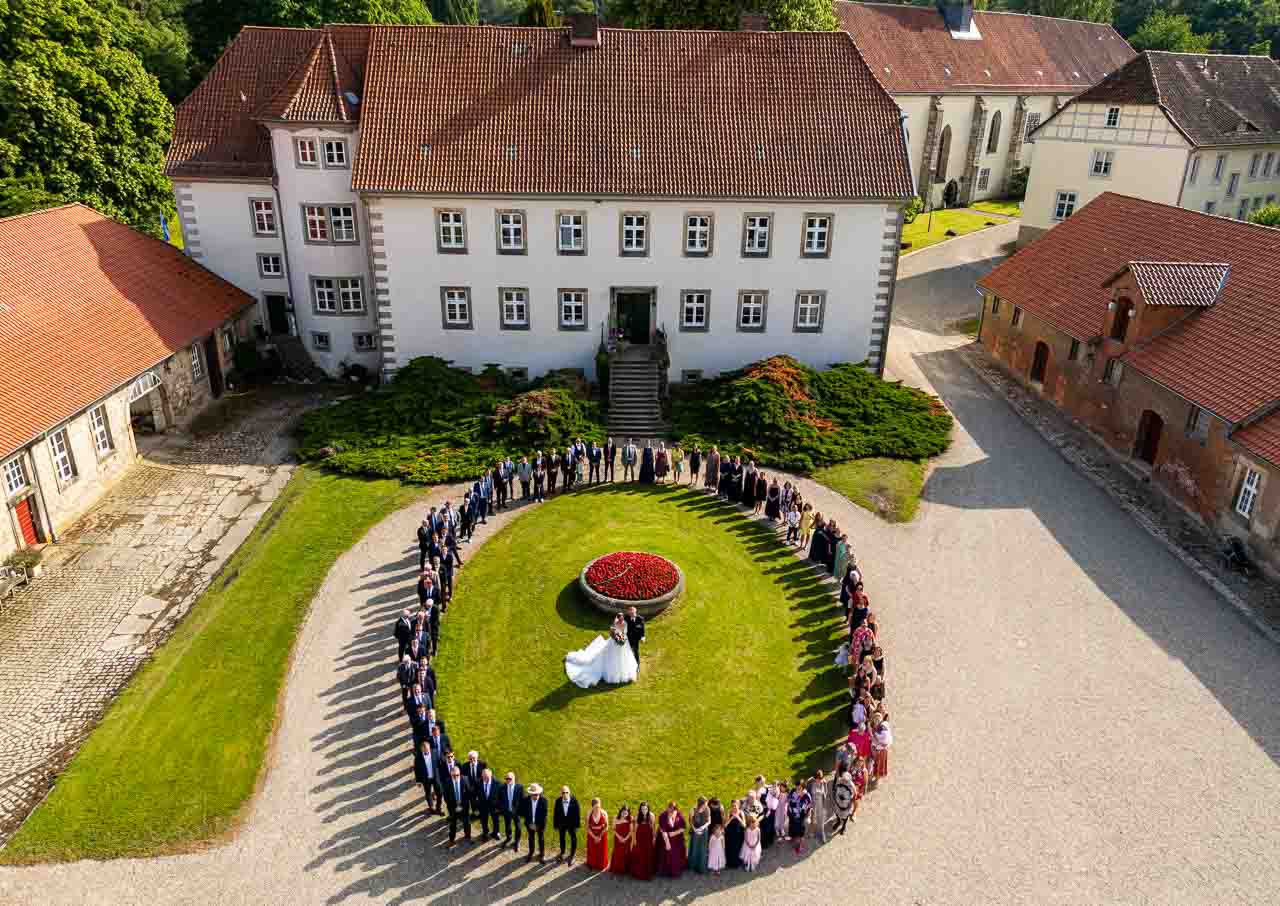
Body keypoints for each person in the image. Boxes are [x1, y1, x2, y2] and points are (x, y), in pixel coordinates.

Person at [564, 614, 639, 688]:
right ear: (618, 618)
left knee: (624, 657)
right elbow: (611, 633)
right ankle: (612, 675)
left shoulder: (625, 623)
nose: (621, 620)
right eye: (620, 618)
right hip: (613, 643)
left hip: (623, 644)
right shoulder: (615, 623)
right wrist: (616, 638)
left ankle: (625, 673)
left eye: (622, 618)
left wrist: (622, 638)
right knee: (612, 657)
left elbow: (625, 632)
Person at [442, 765, 473, 847]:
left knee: (467, 823)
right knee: (453, 825)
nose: (456, 777)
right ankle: (451, 840)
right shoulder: (447, 782)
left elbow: (469, 794)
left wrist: (462, 806)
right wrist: (455, 807)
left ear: (460, 774)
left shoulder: (465, 779)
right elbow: (446, 797)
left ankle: (468, 837)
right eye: (453, 775)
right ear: (450, 774)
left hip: (464, 807)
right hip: (453, 808)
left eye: (457, 775)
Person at [656, 801, 687, 877]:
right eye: (670, 811)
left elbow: (683, 827)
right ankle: (665, 871)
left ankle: (675, 870)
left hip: (677, 839)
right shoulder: (662, 816)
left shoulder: (679, 815)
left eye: (673, 811)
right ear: (668, 808)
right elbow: (663, 831)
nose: (671, 813)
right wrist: (667, 843)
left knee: (676, 854)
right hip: (664, 838)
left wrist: (675, 833)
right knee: (666, 853)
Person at [414, 739, 442, 815]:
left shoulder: (435, 752)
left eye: (427, 748)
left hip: (435, 777)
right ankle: (431, 807)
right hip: (426, 779)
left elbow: (440, 764)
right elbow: (417, 770)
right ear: (421, 749)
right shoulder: (418, 757)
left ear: (429, 747)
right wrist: (418, 781)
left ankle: (438, 807)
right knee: (428, 793)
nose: (426, 750)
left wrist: (441, 775)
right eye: (424, 749)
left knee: (439, 792)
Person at [554, 785, 581, 865]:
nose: (565, 794)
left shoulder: (574, 801)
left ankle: (572, 855)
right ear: (561, 793)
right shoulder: (558, 801)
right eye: (563, 793)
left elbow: (577, 814)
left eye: (567, 792)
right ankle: (562, 852)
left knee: (573, 839)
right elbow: (555, 813)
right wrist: (556, 825)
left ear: (569, 793)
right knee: (562, 838)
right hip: (562, 823)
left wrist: (577, 825)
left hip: (571, 824)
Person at [522, 782, 548, 863]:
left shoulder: (544, 801)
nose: (535, 796)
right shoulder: (526, 800)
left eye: (537, 794)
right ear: (530, 794)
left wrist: (536, 825)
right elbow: (525, 813)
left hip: (540, 824)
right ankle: (531, 852)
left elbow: (543, 815)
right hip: (529, 823)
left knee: (541, 839)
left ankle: (542, 854)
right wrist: (530, 824)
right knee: (531, 838)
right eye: (533, 794)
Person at [630, 802, 656, 880]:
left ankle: (648, 871)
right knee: (639, 854)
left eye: (645, 809)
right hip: (640, 838)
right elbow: (635, 829)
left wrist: (654, 837)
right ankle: (638, 871)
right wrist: (634, 839)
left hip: (648, 838)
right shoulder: (638, 816)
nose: (644, 810)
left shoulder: (651, 816)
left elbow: (653, 828)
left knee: (648, 854)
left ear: (648, 809)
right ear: (640, 809)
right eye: (642, 809)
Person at [499, 772, 524, 849]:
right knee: (507, 826)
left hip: (516, 812)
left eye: (510, 779)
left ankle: (517, 841)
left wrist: (520, 811)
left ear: (514, 779)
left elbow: (522, 800)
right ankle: (508, 838)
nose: (508, 780)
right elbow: (500, 799)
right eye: (506, 779)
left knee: (518, 827)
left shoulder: (519, 787)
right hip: (507, 811)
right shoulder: (502, 787)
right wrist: (502, 809)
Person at [473, 768, 500, 840]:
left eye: (487, 777)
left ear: (491, 775)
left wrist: (499, 807)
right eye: (484, 777)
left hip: (494, 806)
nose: (485, 779)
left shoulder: (497, 783)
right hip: (483, 805)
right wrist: (476, 805)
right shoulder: (478, 782)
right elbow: (475, 794)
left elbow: (500, 796)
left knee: (495, 820)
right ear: (482, 776)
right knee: (484, 820)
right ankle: (485, 833)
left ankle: (496, 833)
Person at [787, 782, 812, 855]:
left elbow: (809, 806)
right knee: (791, 827)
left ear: (803, 788)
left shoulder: (806, 796)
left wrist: (808, 816)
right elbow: (789, 799)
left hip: (800, 817)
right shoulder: (792, 791)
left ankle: (798, 846)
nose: (797, 790)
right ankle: (792, 837)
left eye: (799, 788)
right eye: (796, 788)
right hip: (791, 815)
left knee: (800, 832)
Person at [687, 797, 711, 873]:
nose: (706, 805)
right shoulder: (693, 810)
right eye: (705, 803)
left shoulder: (707, 809)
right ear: (701, 804)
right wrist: (695, 830)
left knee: (703, 849)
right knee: (695, 848)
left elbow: (709, 821)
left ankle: (701, 867)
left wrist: (702, 828)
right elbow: (690, 822)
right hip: (695, 832)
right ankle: (693, 865)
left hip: (704, 831)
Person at [585, 798, 609, 870]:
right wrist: (594, 837)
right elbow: (587, 828)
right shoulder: (589, 813)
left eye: (599, 806)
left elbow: (607, 827)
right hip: (592, 835)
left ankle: (601, 865)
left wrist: (599, 836)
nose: (597, 808)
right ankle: (591, 864)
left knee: (601, 851)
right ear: (592, 807)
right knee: (592, 850)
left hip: (602, 835)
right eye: (595, 807)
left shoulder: (604, 813)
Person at [808, 769, 832, 843]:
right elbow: (808, 793)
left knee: (821, 819)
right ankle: (812, 831)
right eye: (818, 779)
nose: (819, 780)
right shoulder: (811, 783)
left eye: (820, 779)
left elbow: (826, 793)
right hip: (813, 803)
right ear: (815, 778)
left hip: (821, 803)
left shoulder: (824, 783)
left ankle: (821, 834)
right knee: (813, 818)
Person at [609, 804, 633, 875]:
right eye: (623, 812)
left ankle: (625, 869)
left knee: (626, 853)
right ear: (621, 811)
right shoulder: (615, 818)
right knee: (617, 853)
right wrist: (619, 837)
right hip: (617, 838)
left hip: (627, 839)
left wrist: (625, 839)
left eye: (626, 813)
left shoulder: (630, 819)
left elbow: (631, 831)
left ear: (628, 813)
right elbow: (613, 829)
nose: (624, 814)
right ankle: (616, 868)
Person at [832, 769, 856, 835]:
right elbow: (835, 788)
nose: (844, 781)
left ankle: (844, 826)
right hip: (838, 802)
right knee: (837, 812)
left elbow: (854, 794)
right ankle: (838, 821)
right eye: (843, 779)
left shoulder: (851, 785)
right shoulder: (839, 780)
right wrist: (835, 797)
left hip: (846, 804)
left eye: (846, 780)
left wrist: (850, 803)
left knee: (845, 815)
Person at [723, 800, 745, 869]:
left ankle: (737, 863)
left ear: (738, 805)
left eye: (735, 806)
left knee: (738, 848)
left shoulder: (741, 813)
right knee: (729, 848)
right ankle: (729, 863)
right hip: (730, 834)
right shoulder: (729, 812)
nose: (734, 807)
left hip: (739, 833)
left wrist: (738, 817)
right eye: (732, 806)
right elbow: (725, 825)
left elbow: (744, 825)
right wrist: (731, 818)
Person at [624, 606, 645, 674]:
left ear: (635, 612)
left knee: (636, 651)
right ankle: (628, 664)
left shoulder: (640, 619)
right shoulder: (626, 618)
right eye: (630, 613)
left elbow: (642, 629)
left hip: (636, 638)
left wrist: (643, 637)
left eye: (633, 613)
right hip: (628, 638)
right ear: (628, 613)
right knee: (627, 651)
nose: (631, 614)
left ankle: (637, 666)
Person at [872, 713, 893, 780]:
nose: (877, 720)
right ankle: (875, 774)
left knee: (881, 762)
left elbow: (888, 737)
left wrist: (885, 744)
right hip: (876, 747)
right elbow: (873, 738)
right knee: (876, 762)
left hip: (882, 748)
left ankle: (879, 775)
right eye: (876, 719)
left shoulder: (883, 727)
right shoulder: (873, 727)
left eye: (879, 719)